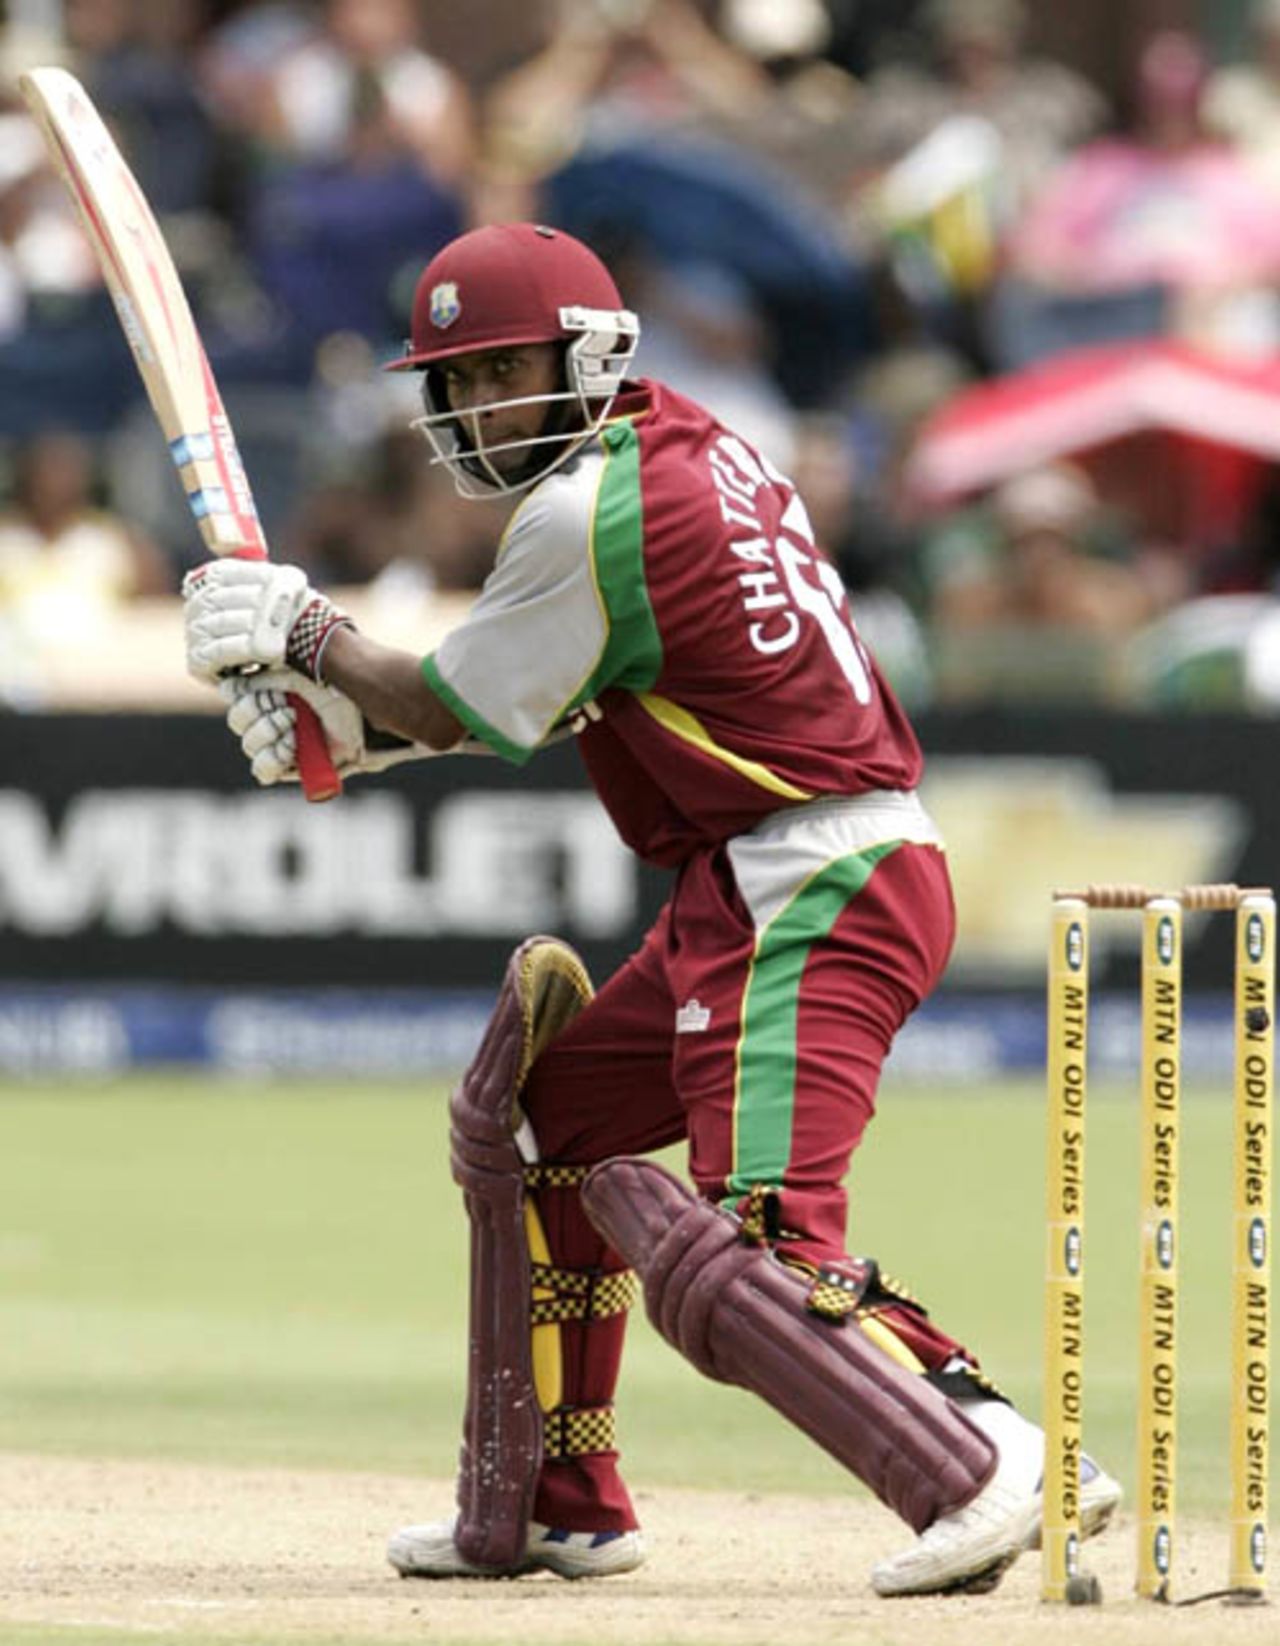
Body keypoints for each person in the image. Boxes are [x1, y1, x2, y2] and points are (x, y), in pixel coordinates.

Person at [181, 221, 1120, 1597]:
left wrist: (310, 640)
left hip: (816, 884)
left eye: (504, 372)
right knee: (547, 1128)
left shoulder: (585, 513)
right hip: (750, 879)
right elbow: (541, 687)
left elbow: (449, 704)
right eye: (458, 381)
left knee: (756, 1245)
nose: (477, 406)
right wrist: (339, 726)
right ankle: (562, 1498)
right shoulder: (684, 443)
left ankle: (988, 1453)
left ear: (589, 357)